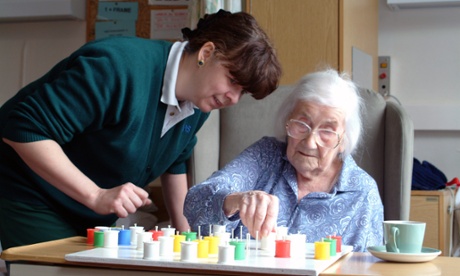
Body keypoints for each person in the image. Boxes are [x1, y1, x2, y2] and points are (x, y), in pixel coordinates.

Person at [0, 9, 281, 250]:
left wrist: (185, 235)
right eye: (233, 81)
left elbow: (176, 160)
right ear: (206, 53)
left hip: (86, 213)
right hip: (27, 192)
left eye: (242, 92)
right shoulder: (117, 67)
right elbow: (23, 127)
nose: (233, 98)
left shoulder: (199, 103)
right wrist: (95, 195)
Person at [184, 69, 384, 252]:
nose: (310, 142)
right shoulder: (265, 156)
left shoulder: (362, 193)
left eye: (327, 131)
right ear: (286, 121)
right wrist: (236, 200)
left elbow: (366, 267)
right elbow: (195, 201)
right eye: (302, 124)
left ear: (343, 141)